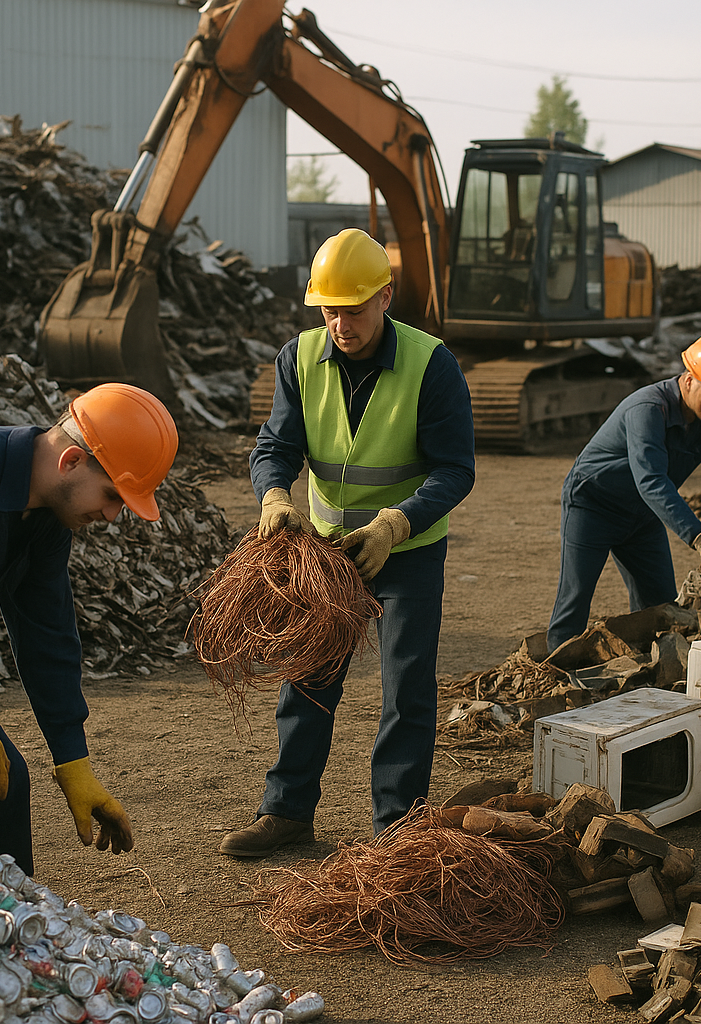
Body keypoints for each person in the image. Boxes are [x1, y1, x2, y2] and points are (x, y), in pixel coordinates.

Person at [221, 227, 475, 858]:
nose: (340, 324)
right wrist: (275, 496)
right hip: (329, 552)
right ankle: (287, 813)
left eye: (352, 309)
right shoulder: (298, 358)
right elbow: (274, 448)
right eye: (328, 310)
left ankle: (396, 826)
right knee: (306, 677)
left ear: (385, 297)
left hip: (407, 551)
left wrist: (396, 523)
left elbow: (456, 470)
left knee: (407, 686)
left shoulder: (430, 363)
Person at [0, 382, 179, 874]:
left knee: (0, 783)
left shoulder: (44, 517)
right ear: (70, 461)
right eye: (112, 495)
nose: (111, 515)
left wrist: (73, 760)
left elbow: (47, 634)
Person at [547, 333, 701, 653]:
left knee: (661, 607)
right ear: (688, 381)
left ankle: (651, 674)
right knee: (575, 600)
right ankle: (555, 675)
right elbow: (651, 480)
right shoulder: (648, 409)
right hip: (593, 506)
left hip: (643, 515)